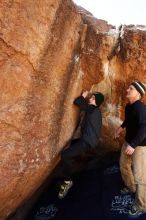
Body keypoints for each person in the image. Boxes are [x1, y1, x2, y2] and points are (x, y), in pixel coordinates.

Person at [58, 91, 104, 199]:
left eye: (93, 98)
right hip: (85, 140)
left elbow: (77, 101)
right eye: (91, 97)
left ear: (96, 102)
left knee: (65, 155)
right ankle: (70, 167)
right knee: (69, 147)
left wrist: (82, 96)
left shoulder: (93, 109)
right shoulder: (93, 110)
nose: (91, 98)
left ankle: (68, 181)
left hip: (86, 142)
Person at [115, 81, 146, 217]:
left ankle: (141, 205)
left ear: (138, 94)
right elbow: (128, 120)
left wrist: (133, 145)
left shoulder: (141, 108)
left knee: (140, 176)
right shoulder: (129, 106)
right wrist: (120, 128)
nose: (127, 89)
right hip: (128, 142)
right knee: (123, 165)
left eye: (131, 88)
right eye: (128, 87)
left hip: (139, 145)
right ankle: (130, 186)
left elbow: (145, 128)